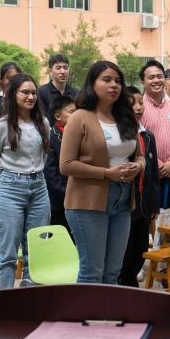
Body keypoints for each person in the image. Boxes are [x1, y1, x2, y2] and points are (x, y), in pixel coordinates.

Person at [60, 61, 144, 284]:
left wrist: (138, 166)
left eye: (117, 81)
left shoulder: (126, 117)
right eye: (106, 80)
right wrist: (107, 173)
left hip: (123, 199)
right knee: (92, 272)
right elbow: (66, 164)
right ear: (92, 83)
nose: (113, 85)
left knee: (113, 272)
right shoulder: (79, 117)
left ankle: (108, 308)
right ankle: (87, 309)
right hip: (87, 202)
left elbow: (140, 156)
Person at [0, 73, 51, 288]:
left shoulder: (43, 123)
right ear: (13, 95)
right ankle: (6, 299)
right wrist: (3, 184)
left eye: (34, 93)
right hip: (10, 187)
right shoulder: (1, 126)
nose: (30, 97)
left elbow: (44, 155)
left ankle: (31, 297)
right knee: (8, 253)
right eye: (25, 92)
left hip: (39, 186)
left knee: (37, 249)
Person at [138, 60, 170, 246]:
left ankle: (168, 257)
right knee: (149, 219)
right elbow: (139, 140)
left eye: (159, 76)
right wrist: (158, 164)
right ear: (143, 81)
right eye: (151, 77)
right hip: (149, 175)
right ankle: (147, 258)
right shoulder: (139, 107)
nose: (156, 80)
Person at [118, 85, 160, 287]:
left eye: (140, 102)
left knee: (141, 248)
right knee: (125, 250)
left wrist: (154, 204)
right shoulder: (119, 137)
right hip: (125, 205)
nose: (138, 107)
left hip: (144, 206)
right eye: (131, 103)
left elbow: (153, 173)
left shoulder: (148, 136)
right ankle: (123, 285)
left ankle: (130, 281)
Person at [44, 95, 74, 233]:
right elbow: (50, 172)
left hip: (78, 197)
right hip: (59, 198)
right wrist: (65, 192)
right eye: (71, 112)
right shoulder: (51, 138)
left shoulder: (79, 133)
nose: (76, 115)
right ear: (57, 116)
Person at [38, 53, 77, 118]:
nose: (63, 72)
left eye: (65, 68)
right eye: (58, 68)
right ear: (50, 71)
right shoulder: (41, 92)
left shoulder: (76, 93)